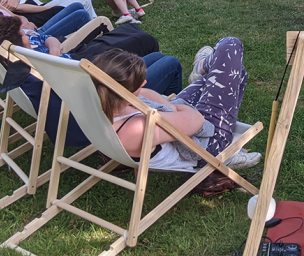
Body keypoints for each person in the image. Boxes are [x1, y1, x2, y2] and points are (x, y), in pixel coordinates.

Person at [92, 40, 262, 178]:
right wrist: (173, 108)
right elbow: (197, 121)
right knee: (231, 47)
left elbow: (146, 94)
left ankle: (205, 66)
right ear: (125, 92)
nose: (144, 83)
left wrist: (170, 108)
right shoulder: (137, 127)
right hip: (206, 147)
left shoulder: (97, 100)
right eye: (141, 83)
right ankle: (204, 65)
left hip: (180, 121)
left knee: (231, 70)